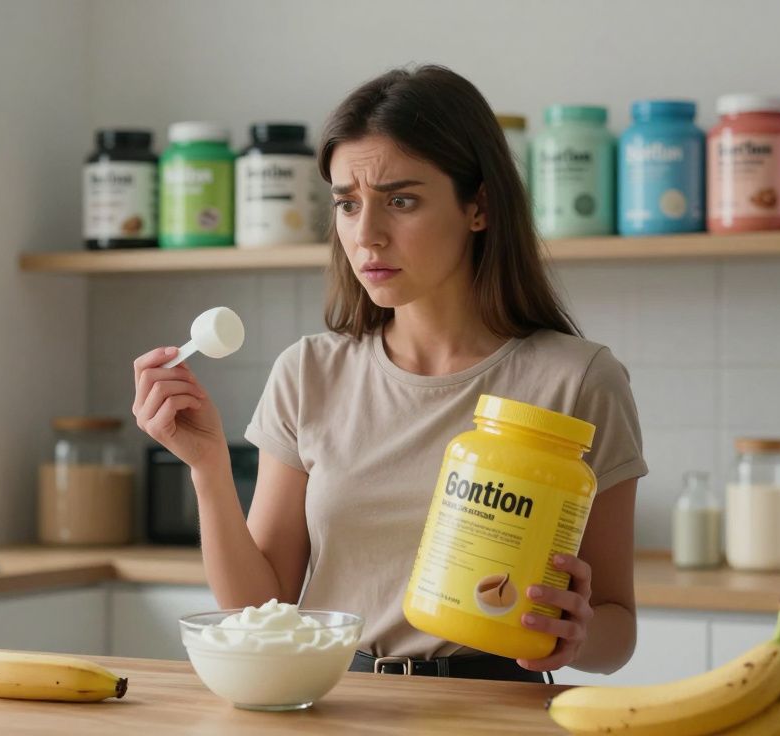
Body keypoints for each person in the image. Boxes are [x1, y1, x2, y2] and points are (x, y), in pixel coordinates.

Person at [132, 65, 647, 683]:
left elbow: (616, 630)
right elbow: (256, 611)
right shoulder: (308, 372)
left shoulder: (579, 379)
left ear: (478, 206)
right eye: (348, 204)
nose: (366, 235)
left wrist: (576, 634)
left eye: (401, 201)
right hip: (337, 702)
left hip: (498, 709)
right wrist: (209, 469)